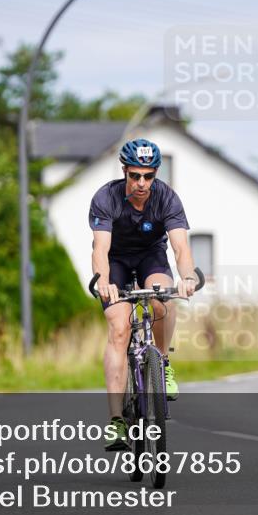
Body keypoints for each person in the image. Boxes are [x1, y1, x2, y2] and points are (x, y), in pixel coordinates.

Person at [89, 139, 198, 450]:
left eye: (148, 176)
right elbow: (101, 248)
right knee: (120, 329)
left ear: (155, 174)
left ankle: (162, 362)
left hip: (151, 256)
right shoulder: (106, 198)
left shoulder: (167, 198)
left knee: (163, 301)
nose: (141, 183)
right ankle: (116, 421)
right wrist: (104, 282)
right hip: (116, 263)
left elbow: (180, 247)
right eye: (135, 175)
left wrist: (187, 277)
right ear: (124, 171)